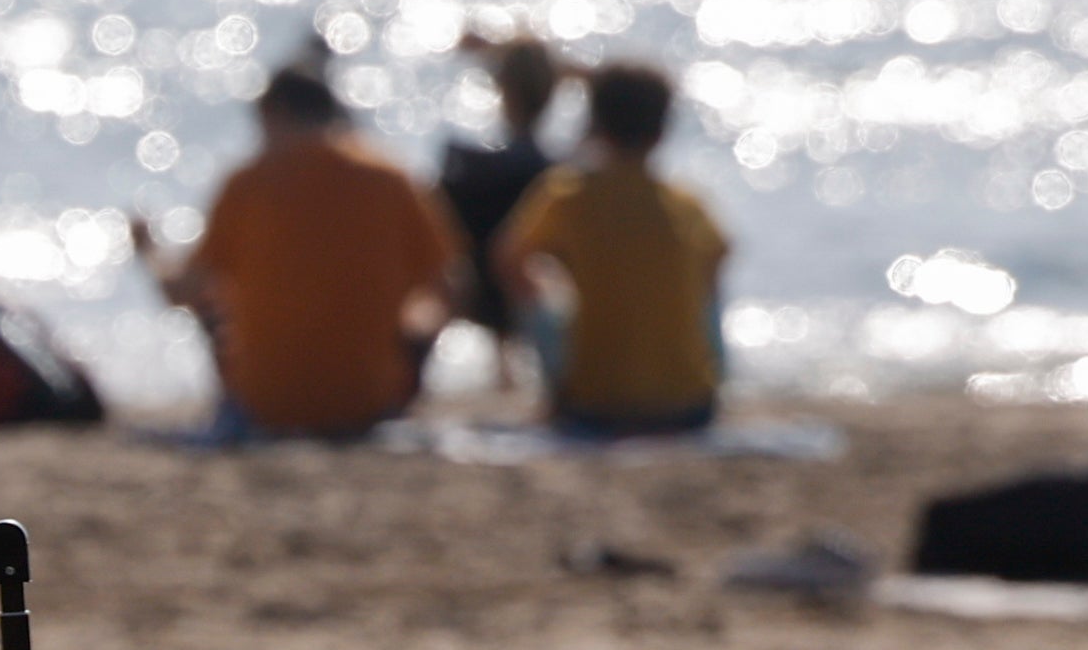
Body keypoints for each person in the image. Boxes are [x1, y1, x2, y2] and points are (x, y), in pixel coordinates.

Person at [134, 63, 462, 438]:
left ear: (277, 114)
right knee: (419, 311)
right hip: (369, 401)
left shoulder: (248, 183)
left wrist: (147, 252)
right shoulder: (390, 177)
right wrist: (410, 327)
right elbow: (450, 283)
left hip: (267, 405)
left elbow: (181, 291)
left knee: (212, 301)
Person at [493, 59, 731, 437]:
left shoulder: (568, 195)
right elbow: (720, 261)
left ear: (595, 125)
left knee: (536, 279)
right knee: (707, 279)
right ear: (662, 131)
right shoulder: (688, 205)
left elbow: (508, 258)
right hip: (690, 407)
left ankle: (558, 392)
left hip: (594, 404)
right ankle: (710, 377)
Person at [434, 33, 563, 348]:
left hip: (477, 301)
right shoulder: (563, 179)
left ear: (503, 89)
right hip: (537, 310)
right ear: (551, 93)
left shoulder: (468, 169)